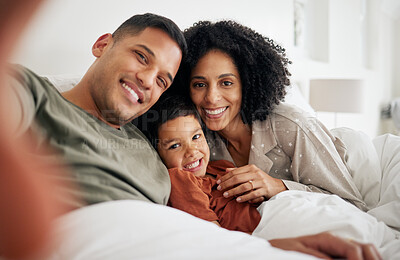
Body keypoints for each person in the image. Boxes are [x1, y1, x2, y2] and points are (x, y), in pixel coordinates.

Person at [3, 9, 380, 259]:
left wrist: (273, 248)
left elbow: (191, 229)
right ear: (103, 45)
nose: (149, 81)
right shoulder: (32, 93)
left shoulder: (147, 143)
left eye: (163, 79)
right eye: (141, 56)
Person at [174, 20, 368, 210]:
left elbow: (353, 206)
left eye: (226, 83)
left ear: (247, 84)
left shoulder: (294, 127)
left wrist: (279, 187)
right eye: (199, 84)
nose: (212, 98)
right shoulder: (197, 138)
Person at [139, 94, 261, 234]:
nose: (191, 151)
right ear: (158, 154)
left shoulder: (221, 166)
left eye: (196, 137)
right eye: (175, 146)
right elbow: (213, 234)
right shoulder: (178, 179)